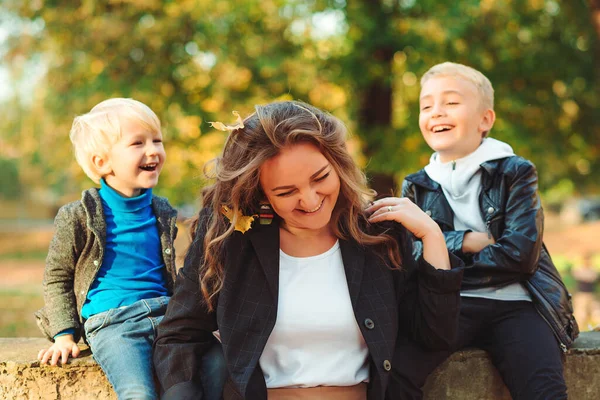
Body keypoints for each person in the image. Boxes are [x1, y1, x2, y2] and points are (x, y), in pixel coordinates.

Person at [153, 100, 465, 400]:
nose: (311, 200)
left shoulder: (379, 234)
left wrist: (431, 235)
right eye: (286, 192)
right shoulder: (230, 240)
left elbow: (432, 338)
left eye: (320, 178)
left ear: (337, 164)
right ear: (259, 191)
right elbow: (179, 335)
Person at [392, 62, 579, 400]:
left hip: (517, 303)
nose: (436, 112)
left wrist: (444, 255)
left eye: (450, 102)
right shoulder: (416, 185)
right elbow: (413, 255)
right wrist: (464, 240)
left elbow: (521, 256)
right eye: (426, 105)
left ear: (485, 120)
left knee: (544, 390)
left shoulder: (516, 172)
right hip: (448, 305)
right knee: (394, 374)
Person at [34, 98, 178, 399]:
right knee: (137, 392)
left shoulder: (162, 211)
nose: (153, 150)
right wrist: (64, 336)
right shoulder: (78, 216)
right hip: (114, 324)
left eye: (157, 140)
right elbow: (57, 277)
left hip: (165, 315)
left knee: (214, 366)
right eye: (137, 143)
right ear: (102, 163)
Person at [572, 252, 599, 329]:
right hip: (581, 294)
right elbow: (581, 277)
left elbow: (594, 277)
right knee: (580, 314)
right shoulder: (578, 269)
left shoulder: (593, 269)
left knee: (595, 313)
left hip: (591, 294)